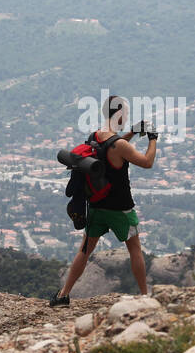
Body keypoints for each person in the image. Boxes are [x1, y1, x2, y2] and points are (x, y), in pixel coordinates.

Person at [50, 95, 158, 306]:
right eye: (125, 114)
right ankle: (145, 297)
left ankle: (63, 294)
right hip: (121, 208)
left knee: (85, 250)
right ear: (118, 114)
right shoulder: (118, 144)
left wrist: (132, 133)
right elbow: (147, 162)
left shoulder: (94, 136)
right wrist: (152, 138)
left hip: (97, 206)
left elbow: (112, 147)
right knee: (135, 249)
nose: (126, 118)